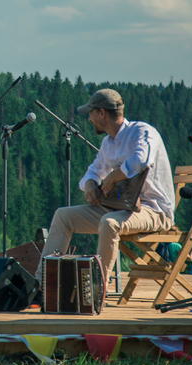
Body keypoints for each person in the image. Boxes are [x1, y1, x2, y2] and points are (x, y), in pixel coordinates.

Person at [34, 89, 175, 282]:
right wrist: (91, 184)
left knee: (110, 223)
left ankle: (97, 288)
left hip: (154, 211)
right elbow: (93, 171)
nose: (89, 119)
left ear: (101, 112)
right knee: (63, 216)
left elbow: (141, 160)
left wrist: (113, 177)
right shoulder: (108, 143)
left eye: (91, 113)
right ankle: (42, 283)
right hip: (120, 209)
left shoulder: (142, 131)